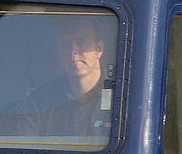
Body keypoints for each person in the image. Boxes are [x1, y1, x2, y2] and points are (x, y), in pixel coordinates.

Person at [19, 13, 114, 144]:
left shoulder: (121, 97)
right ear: (57, 51)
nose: (73, 51)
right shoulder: (39, 101)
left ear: (99, 49)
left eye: (81, 42)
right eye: (65, 44)